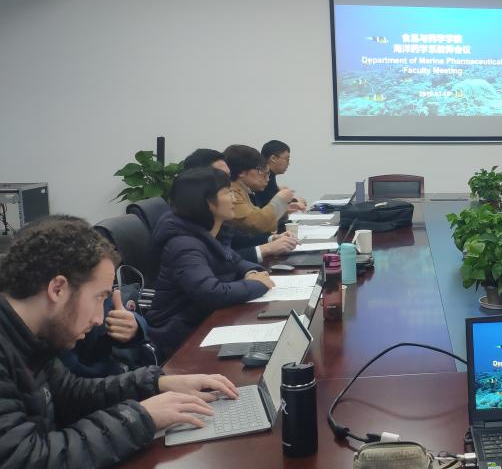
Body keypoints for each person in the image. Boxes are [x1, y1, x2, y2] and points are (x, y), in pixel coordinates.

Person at [0, 215, 240, 468]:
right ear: (57, 289)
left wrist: (156, 384)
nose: (98, 319)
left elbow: (69, 395)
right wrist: (140, 417)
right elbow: (26, 459)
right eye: (99, 297)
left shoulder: (32, 336)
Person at [146, 167, 274, 359]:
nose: (234, 199)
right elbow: (210, 293)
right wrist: (257, 284)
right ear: (207, 201)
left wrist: (251, 272)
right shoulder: (183, 244)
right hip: (182, 336)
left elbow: (235, 259)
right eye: (227, 192)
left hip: (208, 322)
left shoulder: (209, 231)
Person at [182, 148, 298, 262]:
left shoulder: (215, 217)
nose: (229, 184)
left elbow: (236, 241)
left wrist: (270, 239)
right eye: (221, 176)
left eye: (227, 176)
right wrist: (279, 201)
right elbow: (219, 263)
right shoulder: (186, 239)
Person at [223, 144, 301, 234]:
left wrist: (282, 209)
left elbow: (257, 215)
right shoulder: (232, 192)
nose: (266, 178)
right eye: (259, 169)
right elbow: (258, 223)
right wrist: (279, 200)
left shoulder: (242, 189)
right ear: (241, 172)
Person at [253, 140, 306, 210]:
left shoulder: (269, 175)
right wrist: (294, 201)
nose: (288, 163)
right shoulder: (265, 178)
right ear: (273, 158)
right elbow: (269, 206)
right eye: (287, 159)